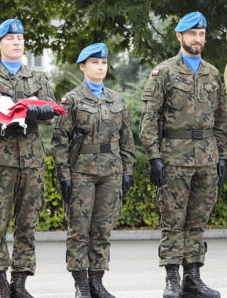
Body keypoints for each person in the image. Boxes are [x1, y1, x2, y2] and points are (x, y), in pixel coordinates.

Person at [139, 11, 227, 298]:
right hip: (174, 157)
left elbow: (222, 119)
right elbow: (149, 118)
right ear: (180, 36)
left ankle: (193, 277)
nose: (197, 39)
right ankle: (171, 278)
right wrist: (154, 157)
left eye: (201, 34)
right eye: (192, 34)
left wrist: (223, 155)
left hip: (206, 157)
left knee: (197, 222)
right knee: (173, 221)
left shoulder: (212, 73)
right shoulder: (164, 72)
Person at [0, 18, 56, 298]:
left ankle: (20, 283)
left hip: (32, 161)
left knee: (28, 223)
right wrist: (31, 107)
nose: (16, 42)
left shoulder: (38, 76)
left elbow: (50, 112)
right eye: (10, 38)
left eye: (20, 38)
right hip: (0, 161)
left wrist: (27, 109)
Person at [51, 43, 136, 298]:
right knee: (79, 229)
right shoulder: (72, 100)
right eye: (95, 63)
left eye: (104, 63)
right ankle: (80, 283)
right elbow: (60, 141)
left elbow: (126, 138)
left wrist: (127, 169)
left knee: (102, 228)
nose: (100, 67)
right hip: (81, 171)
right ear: (83, 66)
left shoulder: (116, 100)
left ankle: (97, 281)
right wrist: (64, 175)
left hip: (111, 171)